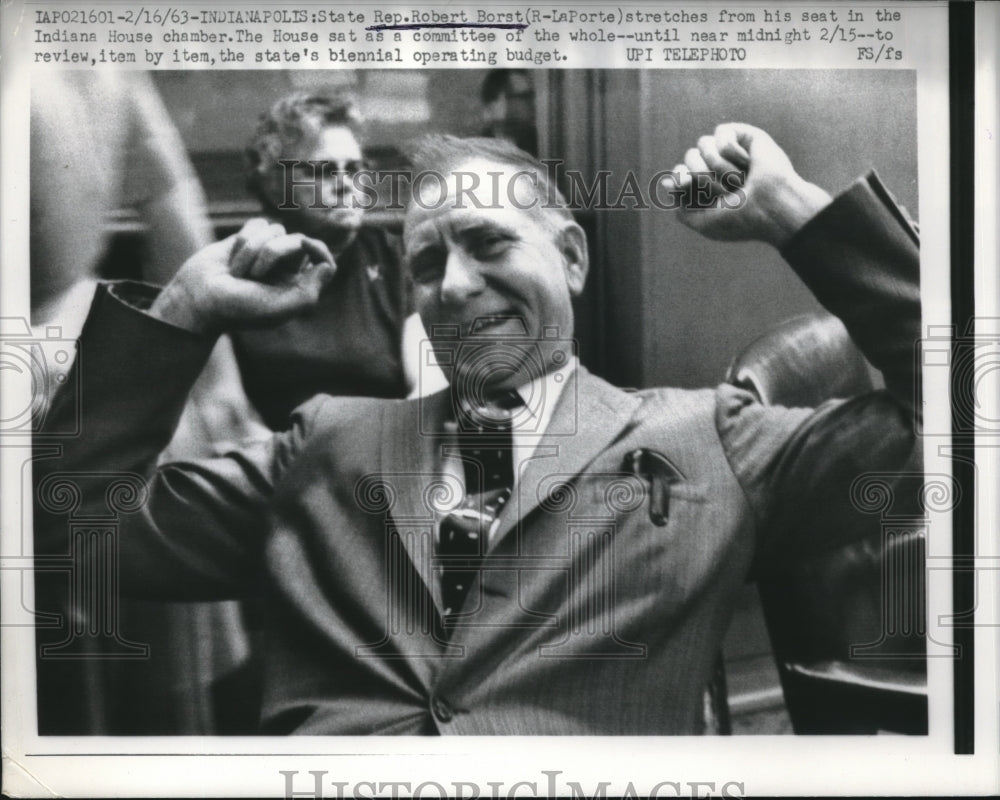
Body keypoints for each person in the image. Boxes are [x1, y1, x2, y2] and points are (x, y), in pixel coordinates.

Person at [34, 124, 919, 734]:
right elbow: (69, 531)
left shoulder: (709, 441)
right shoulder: (327, 443)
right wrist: (186, 307)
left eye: (488, 243)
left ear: (570, 257)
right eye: (427, 262)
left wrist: (796, 212)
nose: (453, 286)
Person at [234, 93, 436, 429]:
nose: (345, 185)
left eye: (355, 169)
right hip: (272, 467)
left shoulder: (397, 259)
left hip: (381, 455)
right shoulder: (239, 268)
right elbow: (229, 415)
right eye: (324, 171)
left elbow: (427, 385)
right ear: (275, 182)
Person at [479, 69, 538, 155]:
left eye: (532, 96)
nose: (533, 104)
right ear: (493, 103)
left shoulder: (544, 146)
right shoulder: (477, 151)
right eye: (524, 97)